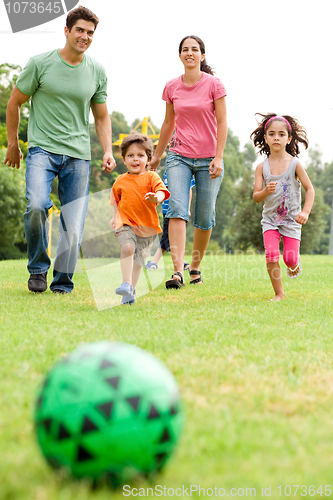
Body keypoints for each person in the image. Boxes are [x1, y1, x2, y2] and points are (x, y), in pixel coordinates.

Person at [4, 6, 116, 294]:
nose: (85, 36)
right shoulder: (40, 64)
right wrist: (14, 143)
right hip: (42, 150)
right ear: (66, 31)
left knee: (74, 223)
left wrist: (107, 150)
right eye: (80, 30)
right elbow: (14, 102)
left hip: (78, 155)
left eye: (90, 33)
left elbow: (101, 116)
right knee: (37, 205)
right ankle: (38, 269)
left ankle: (62, 282)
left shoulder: (97, 70)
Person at [149, 35, 227, 289]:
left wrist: (218, 156)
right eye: (185, 49)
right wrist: (158, 154)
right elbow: (168, 123)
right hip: (179, 156)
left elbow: (223, 122)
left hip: (208, 159)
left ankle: (194, 267)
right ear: (180, 56)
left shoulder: (214, 84)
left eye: (195, 49)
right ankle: (177, 272)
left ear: (202, 56)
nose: (190, 53)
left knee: (204, 218)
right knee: (177, 209)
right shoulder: (172, 87)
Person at [251, 114, 315, 301]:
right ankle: (279, 294)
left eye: (281, 134)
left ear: (289, 138)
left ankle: (294, 263)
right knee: (271, 255)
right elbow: (256, 197)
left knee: (289, 259)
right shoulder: (261, 168)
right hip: (270, 220)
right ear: (265, 138)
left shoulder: (295, 164)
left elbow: (309, 189)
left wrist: (305, 211)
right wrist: (265, 192)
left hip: (291, 220)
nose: (276, 137)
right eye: (272, 134)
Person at [110, 133, 170, 305]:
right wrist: (115, 217)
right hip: (126, 222)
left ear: (148, 159)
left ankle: (130, 291)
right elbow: (115, 199)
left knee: (139, 261)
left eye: (140, 155)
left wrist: (156, 198)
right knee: (127, 247)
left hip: (147, 227)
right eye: (130, 155)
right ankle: (126, 282)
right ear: (124, 159)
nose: (135, 159)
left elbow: (161, 191)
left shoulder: (152, 177)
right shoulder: (120, 180)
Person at [144, 171, 195, 271]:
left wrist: (187, 208)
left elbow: (189, 190)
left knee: (170, 237)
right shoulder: (169, 171)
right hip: (168, 210)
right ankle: (180, 262)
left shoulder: (187, 172)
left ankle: (156, 262)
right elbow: (164, 190)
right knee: (169, 236)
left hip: (180, 211)